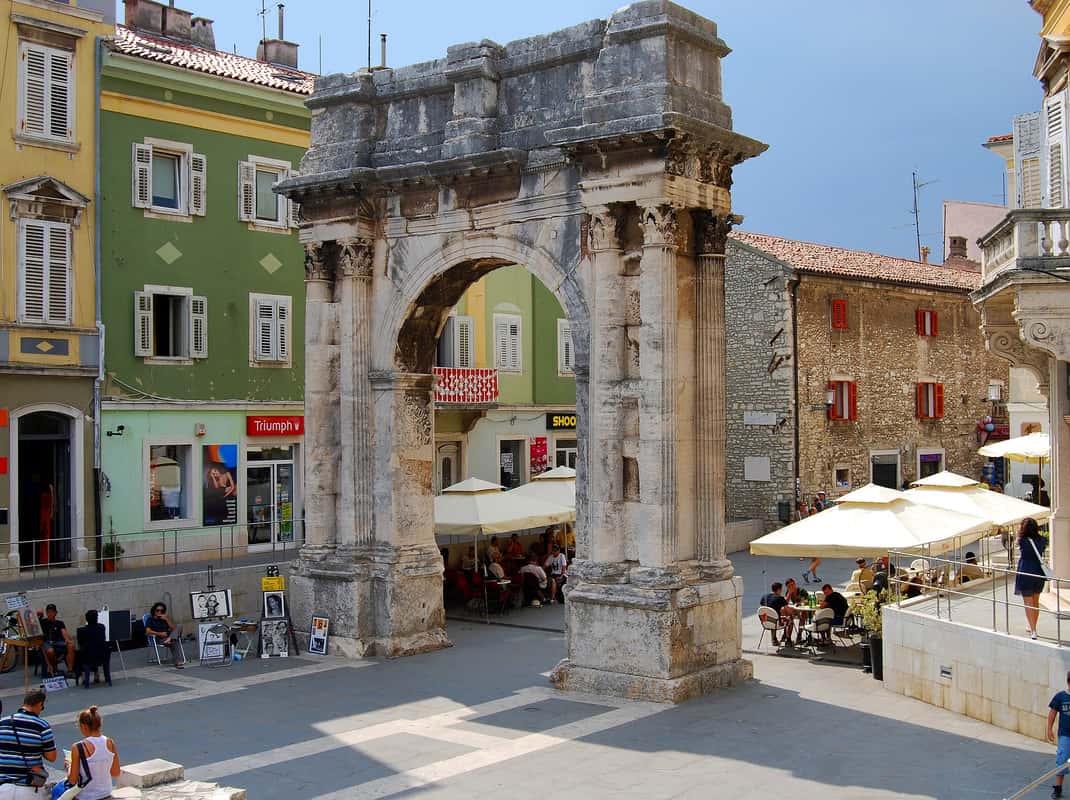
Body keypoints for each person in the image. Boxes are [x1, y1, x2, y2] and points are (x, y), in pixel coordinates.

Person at [0, 689, 57, 790]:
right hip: (28, 785)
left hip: (2, 785)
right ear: (39, 704)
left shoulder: (3, 722)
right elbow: (51, 757)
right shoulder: (42, 726)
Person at [64, 706, 120, 800]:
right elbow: (115, 772)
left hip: (85, 796)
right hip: (106, 794)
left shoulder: (78, 747)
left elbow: (72, 780)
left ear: (84, 726)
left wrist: (69, 766)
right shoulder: (110, 742)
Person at [1016, 517, 1048, 640]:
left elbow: (1019, 544)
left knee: (1028, 603)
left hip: (1025, 571)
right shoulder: (1043, 540)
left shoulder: (1022, 540)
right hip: (1038, 572)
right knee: (1035, 602)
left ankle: (1033, 630)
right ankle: (1032, 626)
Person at [76, 610, 111, 689]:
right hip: (102, 656)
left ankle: (83, 676)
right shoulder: (102, 627)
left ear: (87, 620)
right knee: (92, 651)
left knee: (80, 654)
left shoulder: (82, 631)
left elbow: (80, 643)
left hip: (88, 657)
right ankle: (97, 673)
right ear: (97, 618)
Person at [145, 602, 184, 668]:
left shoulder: (165, 618)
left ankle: (170, 639)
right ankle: (178, 663)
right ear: (154, 610)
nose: (159, 612)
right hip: (160, 638)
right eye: (157, 610)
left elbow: (174, 628)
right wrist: (160, 633)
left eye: (162, 611)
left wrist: (167, 619)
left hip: (169, 636)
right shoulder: (150, 619)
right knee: (175, 641)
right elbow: (148, 632)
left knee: (179, 626)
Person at [1050, 672, 1070, 798]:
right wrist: (1049, 729)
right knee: (1062, 760)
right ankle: (1058, 788)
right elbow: (1052, 713)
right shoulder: (1060, 697)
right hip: (1065, 735)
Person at [40, 604, 74, 676]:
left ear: (55, 613)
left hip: (58, 642)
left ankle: (70, 670)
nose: (50, 614)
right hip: (47, 642)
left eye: (52, 612)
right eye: (48, 612)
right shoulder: (42, 622)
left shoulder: (59, 623)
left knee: (70, 645)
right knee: (50, 651)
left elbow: (64, 632)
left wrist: (67, 639)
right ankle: (55, 668)